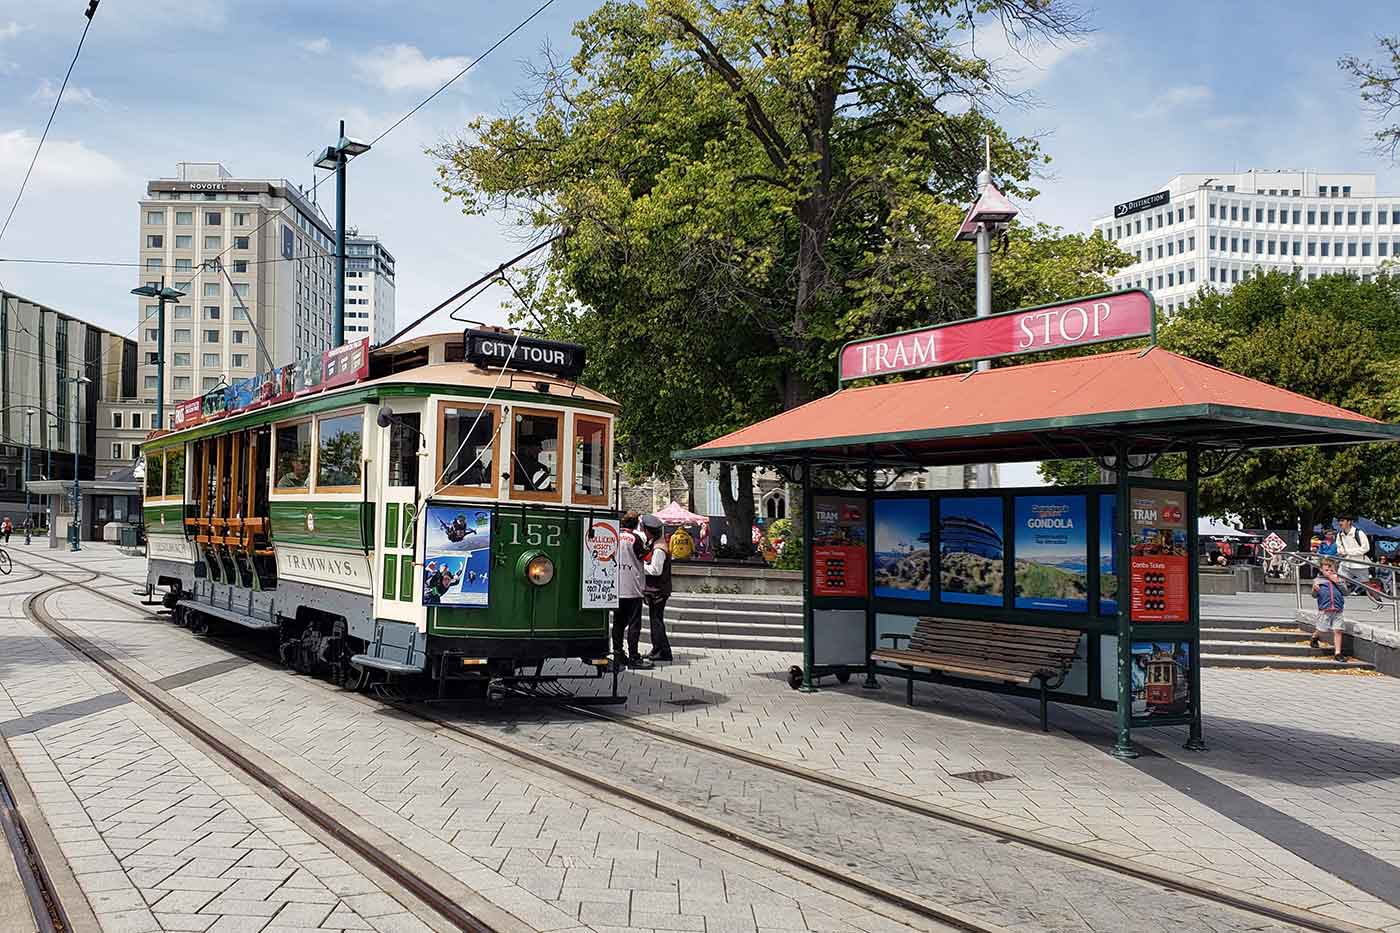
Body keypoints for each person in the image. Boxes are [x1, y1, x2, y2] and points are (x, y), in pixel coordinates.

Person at [613, 512, 651, 670]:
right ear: (636, 524)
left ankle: (617, 653)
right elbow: (646, 556)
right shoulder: (636, 538)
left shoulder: (614, 536)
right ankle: (634, 656)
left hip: (616, 587)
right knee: (634, 624)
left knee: (618, 623)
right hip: (633, 587)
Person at [640, 513, 674, 662]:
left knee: (656, 621)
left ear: (648, 530)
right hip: (657, 590)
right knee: (656, 620)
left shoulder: (659, 548)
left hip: (658, 590)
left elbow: (656, 570)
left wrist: (640, 567)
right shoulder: (656, 543)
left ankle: (663, 651)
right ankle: (658, 649)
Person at [1335, 516, 1380, 608]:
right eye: (1339, 521)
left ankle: (1379, 601)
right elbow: (1339, 547)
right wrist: (1341, 552)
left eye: (1342, 521)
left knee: (1366, 585)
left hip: (1359, 563)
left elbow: (1365, 548)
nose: (1340, 523)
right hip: (1346, 563)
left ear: (1349, 522)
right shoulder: (1339, 534)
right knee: (1338, 580)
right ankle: (1336, 603)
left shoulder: (1359, 533)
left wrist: (1349, 552)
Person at [1310, 557, 1348, 663]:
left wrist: (1337, 582)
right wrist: (1314, 589)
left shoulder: (1339, 579)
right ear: (1321, 570)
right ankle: (1315, 636)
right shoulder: (1318, 580)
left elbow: (1346, 592)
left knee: (1338, 630)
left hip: (1337, 609)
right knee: (1322, 629)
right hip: (1325, 609)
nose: (1329, 572)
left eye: (1331, 570)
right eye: (1326, 570)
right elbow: (1314, 595)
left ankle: (1337, 653)